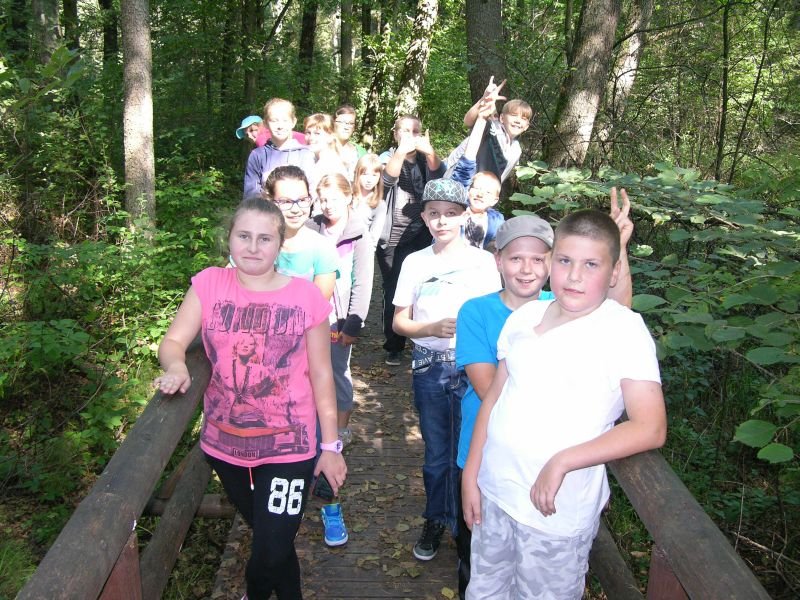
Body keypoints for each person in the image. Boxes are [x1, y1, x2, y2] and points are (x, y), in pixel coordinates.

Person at [461, 208, 666, 600]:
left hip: (554, 513)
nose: (574, 276)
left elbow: (650, 427)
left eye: (591, 265)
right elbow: (494, 400)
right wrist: (471, 474)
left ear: (613, 272)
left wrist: (563, 460)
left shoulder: (623, 331)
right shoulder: (526, 316)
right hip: (495, 492)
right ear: (551, 261)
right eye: (565, 260)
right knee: (484, 592)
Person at [154, 196, 347, 599]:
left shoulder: (306, 297)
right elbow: (173, 342)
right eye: (244, 236)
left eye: (265, 238)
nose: (253, 247)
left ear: (280, 245)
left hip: (290, 447)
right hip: (225, 447)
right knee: (272, 540)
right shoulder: (208, 284)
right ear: (229, 239)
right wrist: (176, 367)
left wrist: (330, 447)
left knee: (271, 548)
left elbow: (321, 373)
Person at [392, 178, 501, 562]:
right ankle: (437, 518)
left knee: (472, 448)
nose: (442, 221)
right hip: (429, 366)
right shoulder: (415, 262)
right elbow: (399, 323)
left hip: (475, 369)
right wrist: (429, 329)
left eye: (451, 214)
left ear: (464, 216)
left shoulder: (483, 262)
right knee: (437, 453)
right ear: (423, 217)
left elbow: (496, 315)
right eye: (434, 214)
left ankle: (468, 526)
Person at [307, 173, 374, 448]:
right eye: (323, 200)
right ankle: (313, 425)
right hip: (310, 316)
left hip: (339, 319)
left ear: (348, 197)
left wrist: (353, 325)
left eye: (334, 199)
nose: (328, 205)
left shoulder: (358, 233)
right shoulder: (311, 228)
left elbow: (363, 281)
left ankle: (342, 429)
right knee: (307, 369)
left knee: (337, 370)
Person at [378, 115, 446, 366]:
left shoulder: (425, 160)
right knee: (394, 289)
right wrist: (400, 152)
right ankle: (394, 345)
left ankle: (421, 337)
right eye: (405, 131)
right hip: (393, 236)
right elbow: (387, 180)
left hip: (422, 234)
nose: (410, 135)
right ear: (395, 133)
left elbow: (441, 179)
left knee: (423, 288)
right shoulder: (386, 157)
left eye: (415, 131)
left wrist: (430, 153)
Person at [262, 165, 339, 300]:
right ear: (270, 202)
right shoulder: (256, 243)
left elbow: (318, 306)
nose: (296, 209)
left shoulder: (323, 249)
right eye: (285, 201)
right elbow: (228, 283)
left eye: (302, 200)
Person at [445, 76, 531, 185]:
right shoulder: (493, 127)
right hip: (452, 175)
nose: (518, 121)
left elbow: (501, 176)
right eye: (514, 115)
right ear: (502, 118)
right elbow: (468, 121)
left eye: (523, 118)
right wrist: (484, 99)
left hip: (476, 188)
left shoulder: (515, 150)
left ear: (526, 126)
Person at [243, 98, 315, 199]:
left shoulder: (306, 154)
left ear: (293, 122)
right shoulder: (258, 156)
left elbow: (314, 192)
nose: (280, 126)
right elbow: (251, 195)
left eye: (285, 120)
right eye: (274, 121)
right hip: (268, 209)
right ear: (266, 124)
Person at [303, 113, 350, 192]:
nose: (311, 138)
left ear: (330, 137)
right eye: (308, 132)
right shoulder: (314, 161)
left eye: (317, 133)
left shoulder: (331, 165)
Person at [352, 153, 385, 248]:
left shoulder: (379, 204)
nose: (369, 180)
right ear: (357, 174)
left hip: (360, 249)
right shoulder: (348, 196)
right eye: (365, 174)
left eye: (374, 175)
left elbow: (373, 238)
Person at [333, 104, 367, 178]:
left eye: (351, 123)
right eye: (342, 122)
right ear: (333, 123)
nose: (346, 127)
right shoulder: (321, 148)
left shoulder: (361, 152)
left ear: (354, 127)